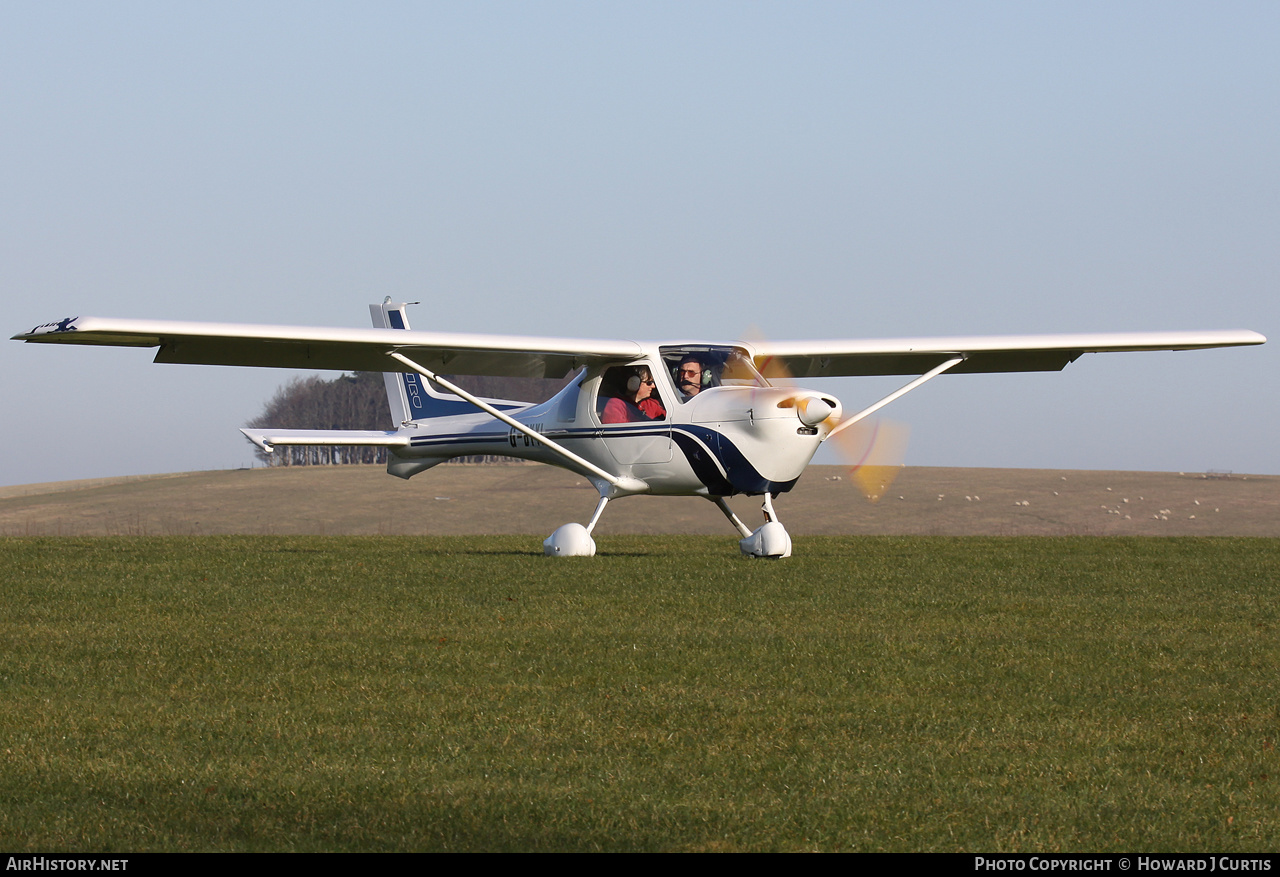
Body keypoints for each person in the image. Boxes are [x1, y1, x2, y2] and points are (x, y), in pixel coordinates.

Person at [601, 366, 666, 423]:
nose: (653, 386)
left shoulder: (651, 404)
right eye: (649, 383)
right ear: (634, 383)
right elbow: (618, 434)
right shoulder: (615, 405)